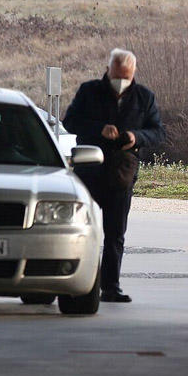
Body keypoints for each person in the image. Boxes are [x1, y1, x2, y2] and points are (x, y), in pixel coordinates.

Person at [63, 48, 165, 303]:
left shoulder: (144, 97)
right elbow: (70, 122)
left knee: (116, 231)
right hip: (89, 168)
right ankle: (73, 280)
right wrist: (99, 130)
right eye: (118, 75)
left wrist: (135, 137)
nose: (121, 81)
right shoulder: (89, 91)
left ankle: (111, 286)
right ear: (109, 70)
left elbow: (157, 132)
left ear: (133, 74)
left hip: (122, 170)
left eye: (126, 76)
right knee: (79, 227)